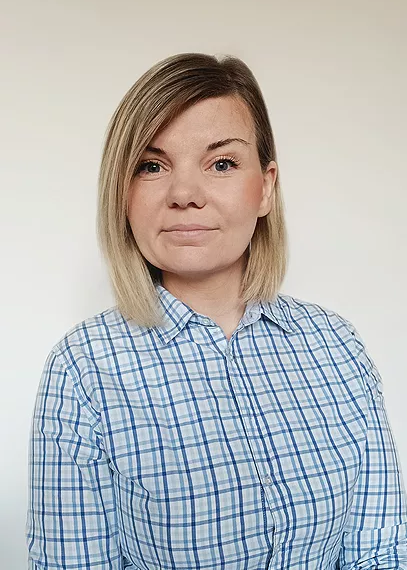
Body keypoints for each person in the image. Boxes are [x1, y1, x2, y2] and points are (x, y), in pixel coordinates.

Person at [26, 52, 407, 569]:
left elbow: (382, 550)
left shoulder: (336, 345)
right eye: (152, 165)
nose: (185, 194)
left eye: (222, 163)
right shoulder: (83, 369)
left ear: (266, 187)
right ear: (122, 192)